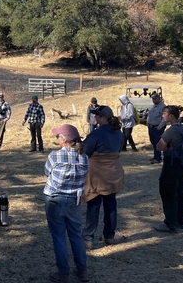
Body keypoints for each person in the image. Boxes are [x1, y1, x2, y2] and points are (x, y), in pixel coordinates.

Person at [44, 124, 90, 283]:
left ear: (64, 140)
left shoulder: (55, 156)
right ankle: (82, 270)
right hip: (74, 201)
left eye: (58, 136)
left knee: (59, 237)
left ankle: (63, 273)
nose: (56, 139)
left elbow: (47, 172)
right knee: (76, 235)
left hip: (55, 199)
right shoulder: (84, 157)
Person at [81, 106, 125, 250]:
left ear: (103, 118)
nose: (95, 118)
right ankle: (109, 236)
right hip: (114, 174)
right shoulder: (118, 133)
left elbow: (84, 152)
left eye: (97, 116)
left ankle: (88, 238)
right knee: (111, 204)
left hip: (98, 176)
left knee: (93, 206)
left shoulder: (96, 134)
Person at [154, 105, 183, 233]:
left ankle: (170, 222)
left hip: (172, 164)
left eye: (165, 113)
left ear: (171, 116)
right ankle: (182, 220)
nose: (163, 116)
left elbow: (159, 147)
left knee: (168, 192)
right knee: (181, 192)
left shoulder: (171, 131)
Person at [146, 92, 166, 164]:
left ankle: (158, 158)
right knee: (153, 142)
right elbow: (149, 115)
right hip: (151, 127)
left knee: (157, 142)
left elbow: (164, 119)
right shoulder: (153, 106)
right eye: (152, 99)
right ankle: (155, 156)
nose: (153, 100)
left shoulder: (162, 107)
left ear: (159, 98)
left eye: (155, 98)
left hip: (157, 127)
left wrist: (160, 126)